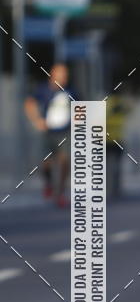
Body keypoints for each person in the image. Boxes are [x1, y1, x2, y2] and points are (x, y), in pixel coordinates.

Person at [24, 63, 76, 208]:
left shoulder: (71, 90)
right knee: (46, 162)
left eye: (66, 75)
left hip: (65, 132)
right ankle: (48, 183)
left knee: (65, 160)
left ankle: (59, 193)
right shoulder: (44, 89)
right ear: (53, 75)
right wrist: (37, 120)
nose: (64, 77)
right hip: (48, 132)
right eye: (61, 74)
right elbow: (29, 103)